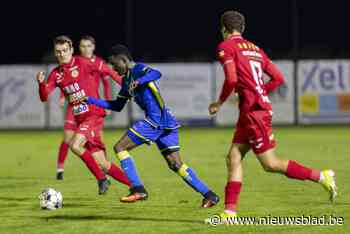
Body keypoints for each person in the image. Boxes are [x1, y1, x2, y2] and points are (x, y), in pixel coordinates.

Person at [207, 10, 337, 222]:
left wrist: (219, 102)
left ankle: (322, 176)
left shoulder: (226, 47)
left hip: (254, 113)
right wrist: (259, 91)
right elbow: (278, 78)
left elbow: (231, 80)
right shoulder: (256, 49)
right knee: (234, 157)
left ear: (224, 28)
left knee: (270, 164)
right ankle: (230, 212)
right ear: (242, 28)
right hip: (251, 110)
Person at [85, 44, 219, 207]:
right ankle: (210, 195)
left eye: (114, 64)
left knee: (120, 147)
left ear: (123, 59)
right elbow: (117, 105)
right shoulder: (127, 81)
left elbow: (157, 73)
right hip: (166, 122)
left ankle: (138, 189)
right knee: (175, 164)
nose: (113, 68)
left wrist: (139, 80)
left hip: (156, 120)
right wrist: (90, 100)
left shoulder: (138, 69)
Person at [37, 36, 131, 195]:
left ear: (71, 50)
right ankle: (135, 186)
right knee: (102, 163)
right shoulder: (56, 74)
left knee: (74, 145)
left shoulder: (84, 62)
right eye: (58, 52)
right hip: (81, 118)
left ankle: (101, 180)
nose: (61, 54)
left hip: (93, 114)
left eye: (64, 51)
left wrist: (129, 85)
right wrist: (41, 84)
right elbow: (44, 97)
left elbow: (109, 72)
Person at [56, 35, 112, 180]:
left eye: (88, 46)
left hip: (92, 107)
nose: (85, 49)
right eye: (82, 46)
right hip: (75, 106)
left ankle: (104, 168)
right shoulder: (75, 61)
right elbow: (65, 81)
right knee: (68, 138)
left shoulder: (99, 62)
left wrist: (107, 102)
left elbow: (106, 83)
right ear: (78, 48)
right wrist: (63, 96)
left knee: (96, 140)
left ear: (93, 47)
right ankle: (60, 168)